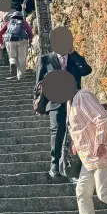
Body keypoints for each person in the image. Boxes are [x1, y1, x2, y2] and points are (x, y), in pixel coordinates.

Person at [37, 27, 92, 181]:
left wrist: (74, 53)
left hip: (74, 101)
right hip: (54, 102)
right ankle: (54, 165)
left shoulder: (74, 58)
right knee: (57, 131)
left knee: (75, 132)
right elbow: (38, 83)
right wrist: (40, 103)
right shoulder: (45, 59)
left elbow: (87, 71)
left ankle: (72, 168)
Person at [0, 6, 33, 80]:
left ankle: (13, 62)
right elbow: (29, 30)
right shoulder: (23, 22)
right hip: (22, 40)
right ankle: (20, 76)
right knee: (22, 58)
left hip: (10, 41)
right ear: (21, 16)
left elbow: (0, 32)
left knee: (13, 56)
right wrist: (30, 38)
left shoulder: (8, 23)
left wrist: (1, 43)